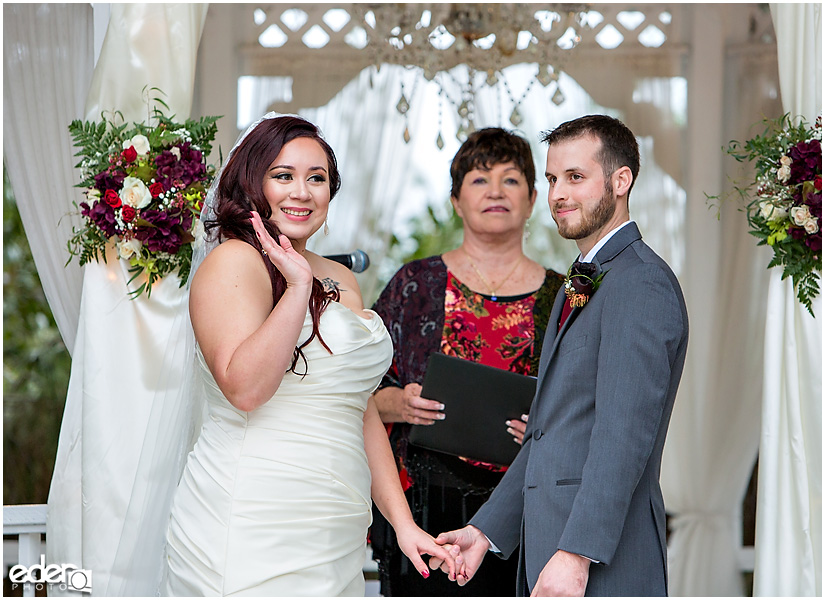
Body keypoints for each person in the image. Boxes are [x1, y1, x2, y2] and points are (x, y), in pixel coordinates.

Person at [164, 114, 457, 596]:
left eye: (316, 178)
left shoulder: (342, 281)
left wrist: (403, 524)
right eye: (283, 176)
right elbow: (246, 389)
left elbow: (355, 408)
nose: (301, 192)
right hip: (252, 516)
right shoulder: (233, 262)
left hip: (332, 528)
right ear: (251, 183)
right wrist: (299, 286)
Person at [430, 115, 689, 596]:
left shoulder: (640, 283)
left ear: (620, 180)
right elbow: (550, 433)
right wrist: (485, 532)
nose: (558, 194)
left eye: (575, 177)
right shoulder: (585, 277)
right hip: (553, 550)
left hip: (602, 559)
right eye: (552, 180)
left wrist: (576, 553)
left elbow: (623, 436)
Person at [369, 127, 566, 596]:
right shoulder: (413, 284)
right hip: (423, 508)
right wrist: (395, 403)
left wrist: (546, 424)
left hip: (526, 512)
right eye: (479, 180)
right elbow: (352, 393)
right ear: (456, 200)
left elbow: (588, 404)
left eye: (511, 180)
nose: (495, 191)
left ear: (533, 197)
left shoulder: (564, 296)